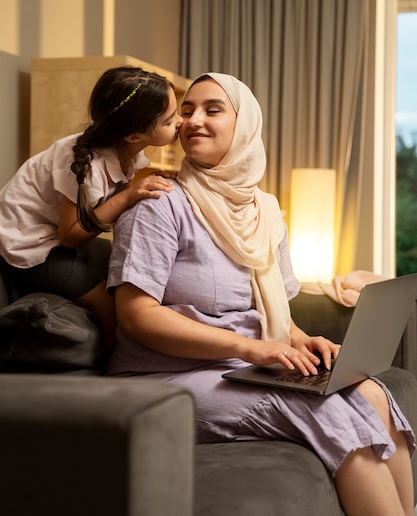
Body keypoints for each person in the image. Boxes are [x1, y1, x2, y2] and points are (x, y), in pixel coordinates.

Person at [107, 72, 415, 515]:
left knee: (371, 393)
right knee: (328, 412)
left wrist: (301, 340)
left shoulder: (264, 212)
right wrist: (250, 349)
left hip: (240, 367)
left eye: (213, 110)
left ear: (245, 125)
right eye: (187, 110)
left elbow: (277, 317)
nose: (194, 120)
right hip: (161, 378)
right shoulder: (159, 201)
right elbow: (137, 317)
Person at [0, 66, 183, 352]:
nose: (181, 122)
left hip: (51, 238)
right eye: (170, 119)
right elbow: (71, 235)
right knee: (110, 309)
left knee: (116, 263)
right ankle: (115, 365)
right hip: (27, 246)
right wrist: (128, 196)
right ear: (134, 136)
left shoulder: (125, 151)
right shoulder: (84, 165)